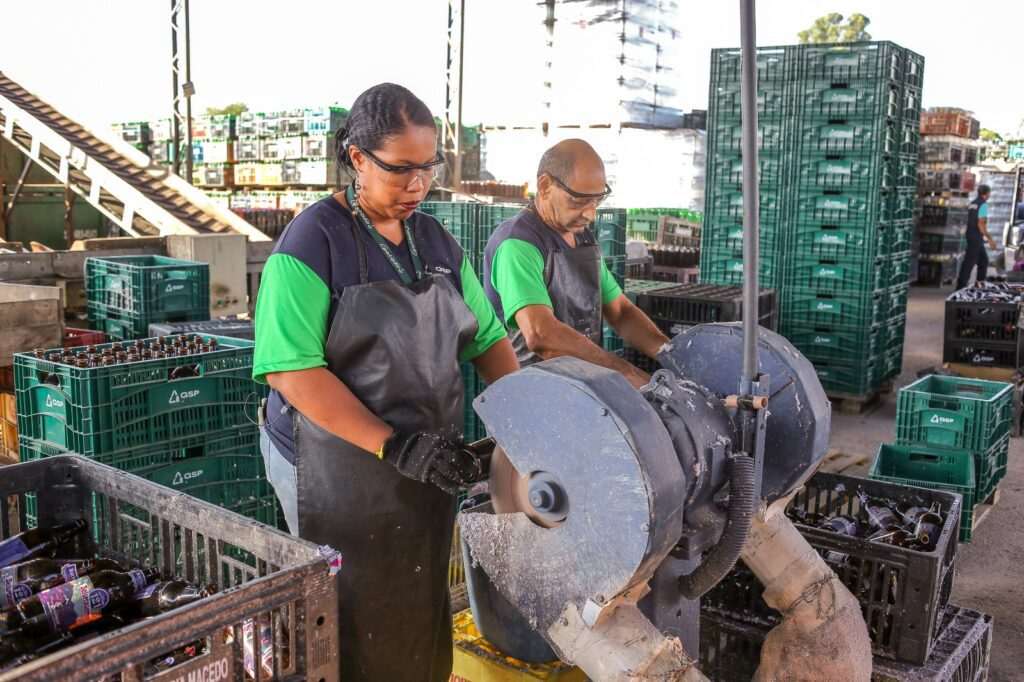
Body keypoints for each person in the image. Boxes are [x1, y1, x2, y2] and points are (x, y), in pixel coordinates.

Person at [252, 83, 519, 681]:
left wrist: (527, 423)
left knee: (416, 588)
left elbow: (487, 340)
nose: (416, 186)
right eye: (400, 170)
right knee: (346, 601)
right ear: (356, 159)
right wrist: (393, 444)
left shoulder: (436, 243)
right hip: (334, 462)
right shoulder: (312, 242)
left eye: (428, 169)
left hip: (421, 459)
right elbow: (293, 372)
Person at [482, 139, 669, 388]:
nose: (590, 214)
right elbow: (541, 335)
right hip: (529, 399)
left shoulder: (583, 238)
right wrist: (626, 375)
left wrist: (669, 352)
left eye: (597, 201)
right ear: (545, 185)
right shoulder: (518, 244)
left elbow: (621, 312)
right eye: (579, 201)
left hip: (582, 390)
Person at [956, 184, 996, 289]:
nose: (989, 195)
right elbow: (981, 223)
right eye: (989, 193)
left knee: (983, 261)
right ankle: (960, 287)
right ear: (986, 194)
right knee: (969, 262)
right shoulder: (983, 205)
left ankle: (980, 285)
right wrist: (990, 239)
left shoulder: (972, 204)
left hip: (971, 234)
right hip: (976, 237)